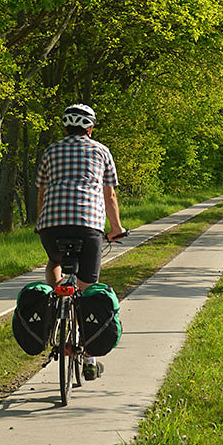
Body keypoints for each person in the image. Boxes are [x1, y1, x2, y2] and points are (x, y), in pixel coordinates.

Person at [35, 102, 126, 380]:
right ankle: (89, 356)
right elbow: (109, 196)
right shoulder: (101, 151)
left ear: (65, 126)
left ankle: (54, 304)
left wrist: (41, 224)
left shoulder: (51, 151)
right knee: (88, 289)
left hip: (52, 225)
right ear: (90, 127)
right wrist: (116, 228)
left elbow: (42, 191)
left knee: (54, 261)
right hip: (88, 226)